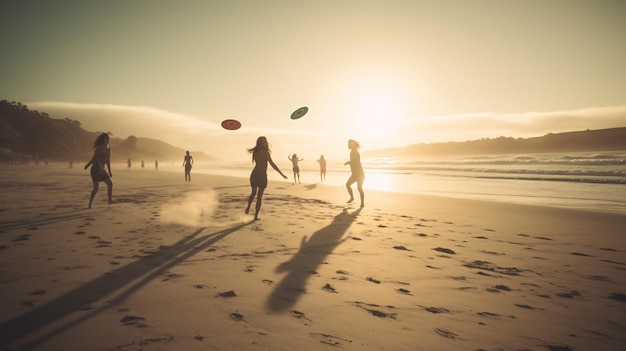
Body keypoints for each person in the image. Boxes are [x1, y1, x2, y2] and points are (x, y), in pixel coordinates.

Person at [245, 136, 288, 220]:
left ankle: (248, 208)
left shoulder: (255, 152)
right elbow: (272, 164)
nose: (265, 143)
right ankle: (255, 216)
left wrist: (281, 174)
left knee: (254, 193)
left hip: (254, 174)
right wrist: (281, 174)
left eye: (265, 141)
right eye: (264, 141)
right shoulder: (265, 152)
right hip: (261, 176)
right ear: (261, 143)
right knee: (259, 196)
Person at [84, 133, 113, 208]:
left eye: (108, 138)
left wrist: (109, 171)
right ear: (103, 139)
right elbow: (94, 158)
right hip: (96, 169)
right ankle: (90, 203)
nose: (107, 140)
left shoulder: (109, 148)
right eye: (106, 138)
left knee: (110, 184)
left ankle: (109, 201)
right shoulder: (99, 148)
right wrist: (88, 165)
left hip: (102, 169)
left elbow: (108, 161)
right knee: (96, 188)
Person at [344, 139, 365, 207]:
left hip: (358, 173)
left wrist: (349, 162)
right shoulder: (353, 152)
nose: (351, 145)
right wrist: (349, 162)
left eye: (352, 144)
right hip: (356, 173)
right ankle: (353, 198)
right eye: (350, 144)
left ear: (354, 144)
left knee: (359, 188)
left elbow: (355, 162)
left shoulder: (354, 152)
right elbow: (354, 162)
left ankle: (362, 203)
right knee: (348, 185)